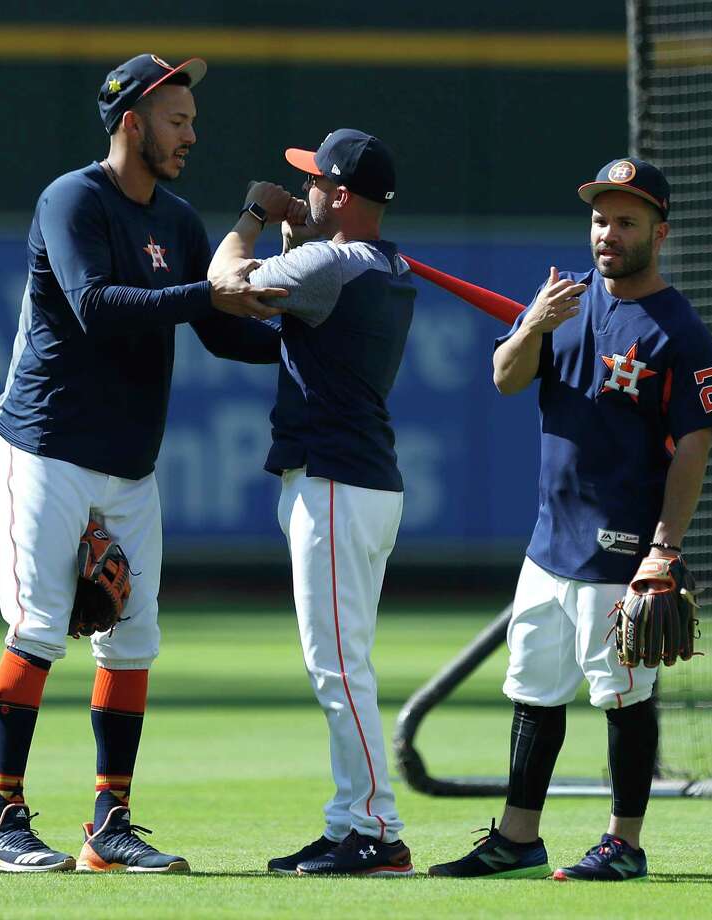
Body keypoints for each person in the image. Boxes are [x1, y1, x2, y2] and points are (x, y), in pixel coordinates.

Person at [0, 53, 287, 874]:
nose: (191, 133)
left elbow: (216, 330)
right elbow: (96, 308)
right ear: (132, 123)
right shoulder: (73, 199)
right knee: (39, 627)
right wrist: (208, 295)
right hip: (44, 446)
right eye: (177, 120)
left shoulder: (175, 219)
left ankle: (111, 824)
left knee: (133, 639)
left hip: (128, 464)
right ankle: (0, 820)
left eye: (193, 121)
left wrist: (306, 346)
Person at [428, 158, 712, 882]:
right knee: (534, 691)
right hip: (549, 545)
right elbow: (505, 379)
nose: (609, 231)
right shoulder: (562, 302)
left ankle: (623, 843)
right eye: (600, 217)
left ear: (659, 230)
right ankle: (517, 838)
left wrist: (664, 549)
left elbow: (695, 445)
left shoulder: (678, 329)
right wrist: (532, 323)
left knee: (623, 697)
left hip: (622, 548)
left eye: (627, 220)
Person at [210, 129, 417, 877]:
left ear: (339, 194)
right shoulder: (386, 266)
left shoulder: (329, 261)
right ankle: (348, 822)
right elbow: (305, 304)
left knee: (338, 670)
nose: (304, 190)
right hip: (359, 482)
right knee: (341, 664)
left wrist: (254, 217)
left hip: (334, 482)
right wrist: (302, 232)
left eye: (315, 184)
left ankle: (374, 830)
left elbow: (225, 283)